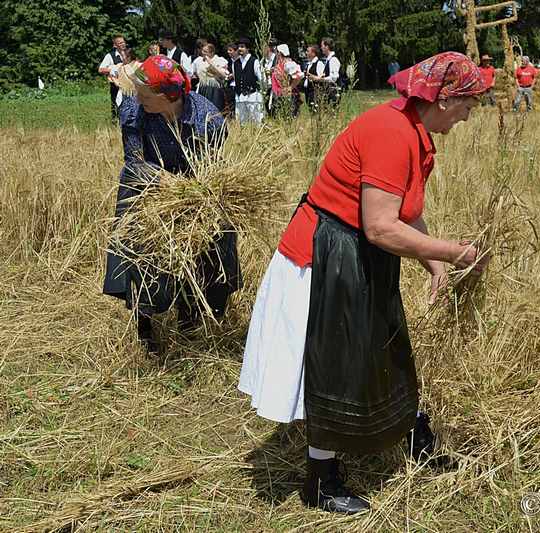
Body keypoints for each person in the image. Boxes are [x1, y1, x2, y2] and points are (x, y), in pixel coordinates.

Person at [239, 51, 489, 514]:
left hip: (358, 253)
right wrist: (453, 253)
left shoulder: (412, 129)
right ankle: (321, 480)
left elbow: (405, 208)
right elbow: (381, 226)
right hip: (325, 256)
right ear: (443, 98)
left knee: (388, 344)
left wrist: (430, 261)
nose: (470, 114)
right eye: (468, 104)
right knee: (334, 365)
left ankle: (416, 438)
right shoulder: (391, 133)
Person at [103, 55, 241, 352]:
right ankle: (145, 324)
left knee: (216, 241)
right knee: (143, 250)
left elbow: (210, 170)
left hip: (195, 190)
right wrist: (166, 185)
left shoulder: (207, 119)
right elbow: (135, 162)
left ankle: (190, 318)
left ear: (169, 96)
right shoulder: (134, 111)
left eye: (145, 95)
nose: (138, 99)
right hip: (146, 187)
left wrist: (188, 195)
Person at [233, 38, 264, 125]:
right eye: (238, 47)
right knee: (242, 123)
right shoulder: (235, 63)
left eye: (242, 47)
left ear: (248, 49)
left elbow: (262, 79)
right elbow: (236, 80)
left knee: (256, 122)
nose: (239, 49)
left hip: (253, 96)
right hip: (240, 98)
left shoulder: (255, 62)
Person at [98, 35, 127, 122]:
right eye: (120, 42)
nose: (123, 44)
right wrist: (112, 69)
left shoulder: (129, 54)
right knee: (116, 104)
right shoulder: (110, 56)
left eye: (123, 42)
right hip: (116, 86)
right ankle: (116, 123)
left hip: (129, 85)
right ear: (115, 45)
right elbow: (100, 69)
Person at [270, 44, 303, 119]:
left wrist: (290, 88)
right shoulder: (280, 64)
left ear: (280, 53)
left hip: (288, 96)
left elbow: (298, 76)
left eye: (277, 52)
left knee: (289, 118)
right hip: (279, 96)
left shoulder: (288, 63)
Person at [307, 37, 341, 108]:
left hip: (333, 92)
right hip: (328, 92)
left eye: (322, 46)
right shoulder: (328, 60)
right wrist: (316, 77)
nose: (321, 48)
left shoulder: (333, 60)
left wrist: (319, 79)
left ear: (327, 47)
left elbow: (333, 78)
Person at [195, 43, 229, 112]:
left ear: (212, 52)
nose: (203, 53)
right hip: (203, 88)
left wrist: (211, 63)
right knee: (203, 110)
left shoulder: (220, 60)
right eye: (203, 51)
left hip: (214, 89)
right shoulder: (198, 61)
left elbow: (224, 75)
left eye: (205, 52)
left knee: (215, 110)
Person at [303, 45, 325, 111]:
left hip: (315, 91)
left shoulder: (319, 63)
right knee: (311, 110)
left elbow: (321, 77)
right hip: (308, 91)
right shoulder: (309, 64)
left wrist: (311, 75)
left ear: (313, 53)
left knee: (316, 110)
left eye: (308, 51)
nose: (306, 53)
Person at [260, 40, 278, 116]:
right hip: (266, 86)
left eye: (264, 47)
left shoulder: (277, 58)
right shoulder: (262, 60)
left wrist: (274, 71)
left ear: (269, 48)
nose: (262, 50)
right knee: (266, 106)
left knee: (274, 106)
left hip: (275, 86)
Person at [224, 43, 239, 117]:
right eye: (228, 50)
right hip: (230, 86)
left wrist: (234, 75)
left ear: (236, 51)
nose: (228, 52)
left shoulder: (241, 61)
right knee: (231, 105)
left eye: (230, 50)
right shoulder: (228, 61)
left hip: (238, 85)